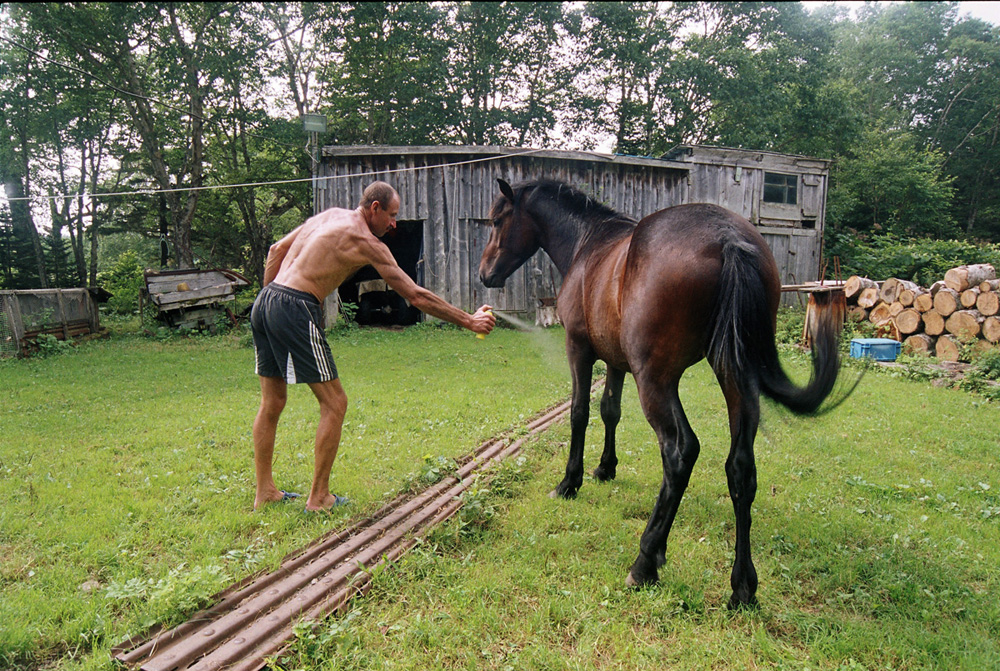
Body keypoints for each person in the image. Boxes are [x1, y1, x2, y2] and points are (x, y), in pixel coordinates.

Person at [250, 181, 495, 512]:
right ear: (374, 208)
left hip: (266, 300)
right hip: (294, 305)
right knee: (335, 403)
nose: (394, 223)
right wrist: (468, 320)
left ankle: (265, 492)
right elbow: (415, 295)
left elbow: (275, 251)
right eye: (392, 215)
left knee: (273, 401)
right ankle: (320, 498)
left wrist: (270, 302)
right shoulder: (365, 241)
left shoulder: (330, 215)